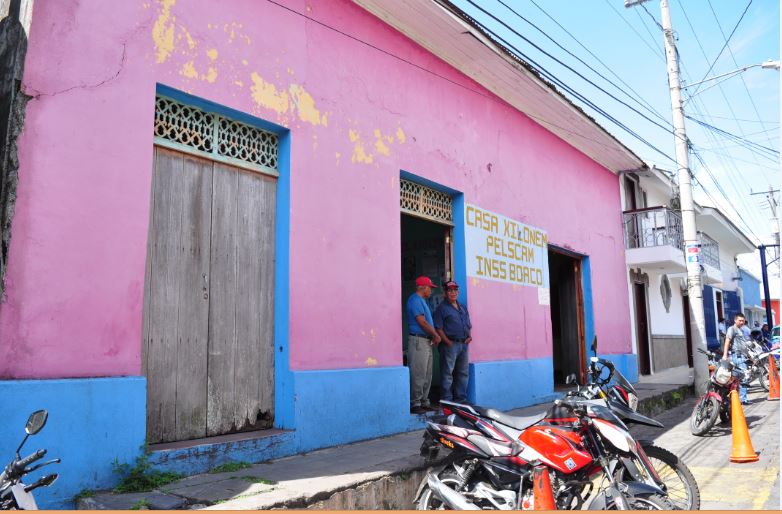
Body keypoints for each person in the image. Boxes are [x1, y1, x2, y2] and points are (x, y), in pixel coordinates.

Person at [433, 280, 472, 404]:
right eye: (450, 290)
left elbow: (468, 324)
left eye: (455, 290)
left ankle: (461, 399)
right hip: (450, 345)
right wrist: (447, 341)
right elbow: (438, 328)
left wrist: (469, 336)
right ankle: (447, 400)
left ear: (458, 292)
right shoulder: (441, 308)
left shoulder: (462, 307)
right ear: (445, 293)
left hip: (463, 344)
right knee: (447, 373)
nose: (453, 293)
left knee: (463, 373)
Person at [406, 276, 441, 414]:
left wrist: (432, 336)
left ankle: (424, 402)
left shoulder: (422, 301)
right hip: (418, 340)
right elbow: (422, 322)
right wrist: (435, 335)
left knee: (427, 374)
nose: (431, 291)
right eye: (430, 288)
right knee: (418, 373)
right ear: (423, 287)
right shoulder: (415, 300)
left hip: (425, 340)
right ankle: (415, 403)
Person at [722, 313, 751, 405]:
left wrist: (749, 356)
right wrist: (725, 355)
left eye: (743, 321)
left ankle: (736, 398)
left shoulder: (740, 330)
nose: (742, 322)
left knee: (737, 379)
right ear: (735, 320)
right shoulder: (732, 329)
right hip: (738, 357)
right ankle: (743, 399)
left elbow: (743, 345)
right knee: (744, 377)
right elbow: (727, 341)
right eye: (740, 320)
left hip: (742, 356)